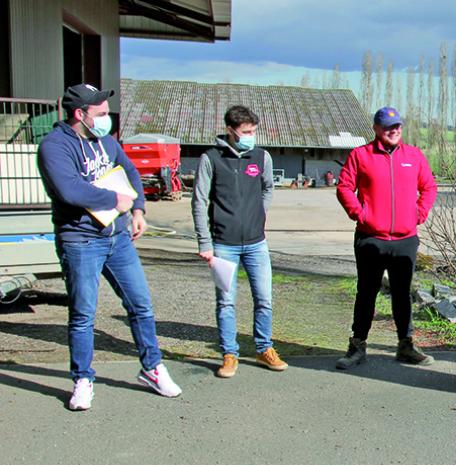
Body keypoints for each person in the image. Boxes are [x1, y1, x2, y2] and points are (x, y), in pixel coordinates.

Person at [36, 83, 182, 410]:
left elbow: (128, 170)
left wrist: (139, 209)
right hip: (80, 240)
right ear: (80, 114)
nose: (107, 119)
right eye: (101, 113)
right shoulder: (54, 147)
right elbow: (69, 190)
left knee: (141, 304)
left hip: (117, 238)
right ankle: (83, 379)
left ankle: (152, 367)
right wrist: (115, 199)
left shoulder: (105, 141)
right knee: (83, 314)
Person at [335, 107, 437, 369]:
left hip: (405, 239)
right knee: (366, 293)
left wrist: (419, 213)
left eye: (397, 126)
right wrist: (360, 214)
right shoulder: (361, 155)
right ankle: (357, 346)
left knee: (402, 294)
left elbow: (429, 187)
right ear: (376, 129)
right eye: (388, 126)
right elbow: (345, 187)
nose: (394, 131)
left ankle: (406, 345)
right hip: (371, 238)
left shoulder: (413, 156)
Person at [191, 105, 286, 378]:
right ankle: (229, 354)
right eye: (246, 132)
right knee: (226, 301)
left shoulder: (261, 157)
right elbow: (199, 201)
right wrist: (204, 243)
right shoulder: (211, 159)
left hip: (257, 243)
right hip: (223, 246)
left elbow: (268, 188)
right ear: (231, 131)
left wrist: (259, 214)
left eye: (254, 131)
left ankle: (264, 348)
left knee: (265, 299)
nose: (251, 136)